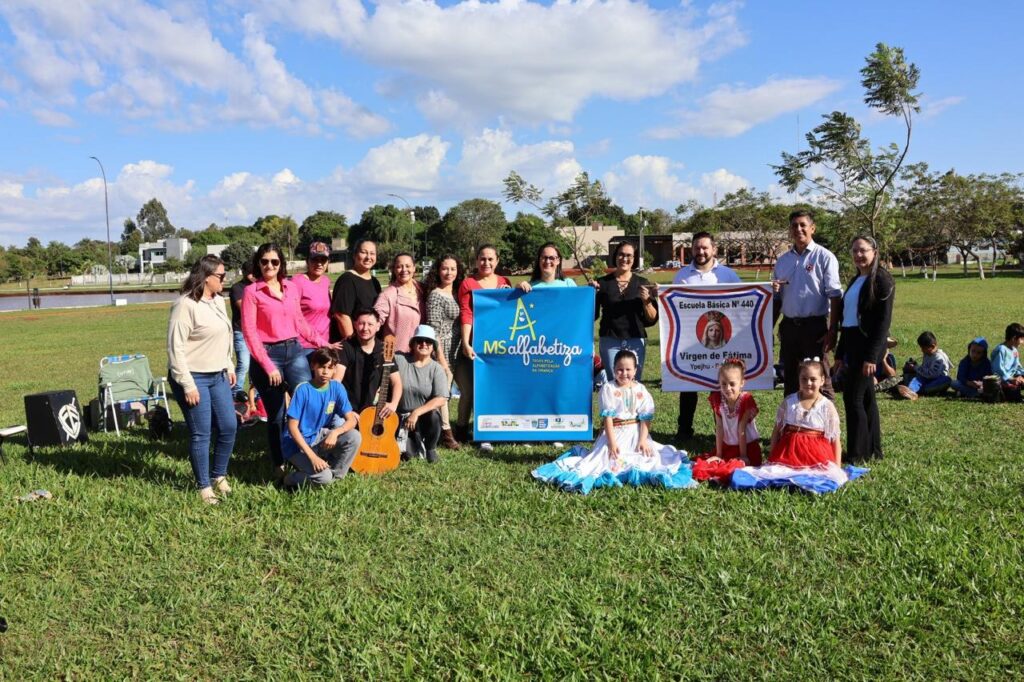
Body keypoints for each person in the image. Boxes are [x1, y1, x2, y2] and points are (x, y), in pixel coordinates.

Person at [531, 350, 694, 494]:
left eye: (628, 369)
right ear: (614, 370)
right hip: (614, 433)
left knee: (649, 459)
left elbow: (646, 418)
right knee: (602, 462)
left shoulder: (640, 390)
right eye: (620, 370)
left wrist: (643, 440)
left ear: (635, 370)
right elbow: (607, 418)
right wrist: (612, 442)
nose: (624, 373)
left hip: (636, 433)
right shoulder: (609, 389)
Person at [241, 243, 337, 480]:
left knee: (309, 402)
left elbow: (300, 322)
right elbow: (250, 333)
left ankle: (309, 452)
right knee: (276, 414)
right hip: (268, 355)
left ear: (281, 263)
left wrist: (322, 343)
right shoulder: (252, 292)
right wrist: (268, 366)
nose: (269, 266)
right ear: (258, 263)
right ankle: (278, 462)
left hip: (294, 351)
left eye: (274, 261)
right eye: (264, 262)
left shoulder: (291, 288)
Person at [167, 255, 237, 504]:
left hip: (218, 374)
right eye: (221, 276)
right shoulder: (185, 305)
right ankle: (204, 486)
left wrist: (228, 364)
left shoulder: (218, 300)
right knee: (202, 432)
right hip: (193, 376)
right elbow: (176, 348)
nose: (225, 280)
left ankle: (219, 474)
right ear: (206, 277)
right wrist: (187, 384)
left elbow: (224, 334)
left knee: (229, 426)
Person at [673, 232, 741, 442]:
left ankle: (727, 432)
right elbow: (673, 304)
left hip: (722, 340)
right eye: (697, 248)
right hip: (691, 341)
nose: (700, 252)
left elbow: (743, 299)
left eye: (705, 248)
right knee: (688, 387)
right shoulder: (683, 275)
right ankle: (684, 430)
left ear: (714, 250)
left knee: (722, 386)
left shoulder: (728, 275)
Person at [834, 235, 894, 462]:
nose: (859, 255)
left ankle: (857, 454)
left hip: (866, 346)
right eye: (855, 251)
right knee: (867, 398)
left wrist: (872, 356)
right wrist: (840, 354)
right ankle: (873, 451)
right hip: (851, 342)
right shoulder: (856, 279)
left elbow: (883, 322)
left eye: (863, 250)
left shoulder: (882, 279)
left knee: (853, 398)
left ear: (874, 251)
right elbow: (847, 320)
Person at [772, 210, 843, 399]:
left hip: (815, 328)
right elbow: (777, 299)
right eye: (794, 225)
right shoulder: (782, 261)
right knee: (791, 381)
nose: (798, 229)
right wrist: (767, 329)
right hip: (789, 329)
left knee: (820, 379)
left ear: (813, 228)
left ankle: (828, 427)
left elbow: (835, 296)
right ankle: (794, 425)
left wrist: (832, 330)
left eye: (803, 225)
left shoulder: (825, 257)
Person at [454, 244, 512, 449]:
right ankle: (481, 432)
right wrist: (466, 342)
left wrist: (513, 292)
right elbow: (466, 313)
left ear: (497, 261)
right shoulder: (468, 283)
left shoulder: (504, 282)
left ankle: (500, 428)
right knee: (479, 388)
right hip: (478, 345)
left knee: (498, 388)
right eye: (482, 259)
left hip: (501, 346)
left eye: (490, 259)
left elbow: (511, 312)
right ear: (476, 260)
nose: (486, 263)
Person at [281, 348, 362, 488]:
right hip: (296, 445)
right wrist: (313, 458)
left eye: (330, 368)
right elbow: (292, 428)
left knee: (354, 436)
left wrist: (336, 433)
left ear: (335, 369)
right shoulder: (303, 389)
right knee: (323, 478)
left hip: (318, 436)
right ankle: (290, 479)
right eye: (322, 367)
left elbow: (352, 420)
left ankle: (335, 478)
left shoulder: (337, 388)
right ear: (313, 366)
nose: (325, 372)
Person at [593, 241, 658, 386]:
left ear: (634, 259)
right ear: (615, 256)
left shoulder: (643, 282)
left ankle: (632, 409)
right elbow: (593, 314)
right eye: (621, 254)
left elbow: (653, 319)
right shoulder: (602, 283)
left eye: (629, 255)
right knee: (612, 384)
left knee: (633, 384)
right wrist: (589, 293)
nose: (624, 258)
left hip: (635, 340)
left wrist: (647, 301)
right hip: (610, 339)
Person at [692, 359, 761, 484]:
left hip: (746, 447)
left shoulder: (746, 400)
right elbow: (719, 427)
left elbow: (742, 429)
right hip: (727, 447)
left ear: (742, 383)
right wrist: (719, 453)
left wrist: (743, 455)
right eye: (723, 384)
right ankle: (718, 473)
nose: (728, 388)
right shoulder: (718, 399)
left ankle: (722, 477)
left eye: (732, 384)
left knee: (737, 465)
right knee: (710, 462)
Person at [767, 358, 842, 467]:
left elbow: (835, 439)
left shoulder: (827, 406)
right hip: (788, 453)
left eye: (813, 379)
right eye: (804, 379)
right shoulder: (789, 402)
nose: (808, 383)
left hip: (816, 456)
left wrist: (837, 467)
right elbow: (776, 431)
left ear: (822, 380)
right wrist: (771, 456)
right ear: (798, 379)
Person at [424, 254, 465, 449]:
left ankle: (461, 428)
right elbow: (433, 329)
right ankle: (446, 433)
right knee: (444, 393)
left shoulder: (458, 293)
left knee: (466, 390)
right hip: (444, 350)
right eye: (445, 268)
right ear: (438, 271)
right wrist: (441, 359)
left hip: (459, 350)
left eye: (453, 269)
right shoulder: (435, 295)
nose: (449, 273)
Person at [395, 325, 451, 463]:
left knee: (434, 416)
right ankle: (412, 443)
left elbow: (441, 398)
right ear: (413, 344)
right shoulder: (399, 359)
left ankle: (430, 448)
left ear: (433, 347)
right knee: (408, 456)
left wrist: (416, 413)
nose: (424, 344)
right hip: (399, 417)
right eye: (419, 340)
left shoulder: (437, 369)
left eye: (428, 341)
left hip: (423, 418)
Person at [336, 309, 402, 414]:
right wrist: (346, 410)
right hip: (348, 411)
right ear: (355, 325)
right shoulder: (345, 347)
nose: (365, 328)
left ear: (378, 326)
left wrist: (394, 404)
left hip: (374, 412)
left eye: (370, 324)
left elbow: (396, 382)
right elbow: (336, 382)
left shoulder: (384, 350)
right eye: (361, 324)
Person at [330, 239, 381, 341]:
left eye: (372, 253)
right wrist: (354, 346)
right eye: (364, 252)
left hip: (369, 343)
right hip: (353, 346)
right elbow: (341, 315)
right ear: (354, 255)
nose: (368, 257)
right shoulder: (347, 280)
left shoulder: (375, 282)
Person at [374, 252, 425, 353]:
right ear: (394, 270)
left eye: (407, 266)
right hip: (397, 355)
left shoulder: (423, 289)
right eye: (399, 267)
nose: (404, 270)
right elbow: (375, 321)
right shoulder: (387, 295)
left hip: (422, 353)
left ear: (414, 268)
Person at [292, 241, 333, 358]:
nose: (319, 264)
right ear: (307, 261)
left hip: (324, 345)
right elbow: (293, 314)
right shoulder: (297, 281)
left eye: (323, 260)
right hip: (303, 346)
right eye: (315, 259)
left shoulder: (326, 281)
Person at [229, 263, 257, 406]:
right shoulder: (237, 288)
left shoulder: (260, 286)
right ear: (244, 272)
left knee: (258, 364)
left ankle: (256, 394)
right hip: (241, 331)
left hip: (257, 333)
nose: (252, 275)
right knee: (244, 364)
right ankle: (236, 393)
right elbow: (243, 307)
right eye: (249, 272)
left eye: (254, 272)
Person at [896, 331, 952, 400]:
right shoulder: (927, 354)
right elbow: (924, 369)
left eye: (923, 348)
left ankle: (918, 390)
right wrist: (914, 365)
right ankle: (911, 390)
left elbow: (932, 375)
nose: (922, 350)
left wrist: (915, 368)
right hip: (925, 379)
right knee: (916, 378)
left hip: (935, 381)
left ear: (932, 346)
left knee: (947, 380)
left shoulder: (939, 358)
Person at [991, 323, 1024, 401]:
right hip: (1002, 380)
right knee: (1014, 394)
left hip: (1013, 377)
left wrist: (1021, 375)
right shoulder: (1001, 350)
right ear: (1014, 338)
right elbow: (998, 370)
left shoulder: (1014, 350)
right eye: (1022, 339)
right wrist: (1010, 379)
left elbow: (1017, 366)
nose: (1022, 342)